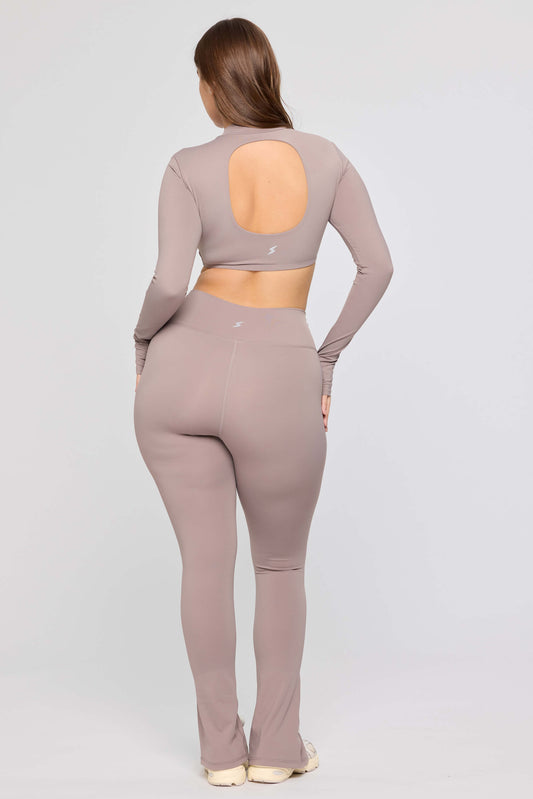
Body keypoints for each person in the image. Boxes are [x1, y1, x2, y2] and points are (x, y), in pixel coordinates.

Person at [132, 17, 394, 787]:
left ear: (210, 88)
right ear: (266, 77)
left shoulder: (186, 166)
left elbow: (170, 283)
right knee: (278, 565)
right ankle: (276, 748)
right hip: (278, 376)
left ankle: (220, 753)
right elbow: (376, 266)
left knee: (203, 566)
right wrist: (325, 358)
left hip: (180, 370)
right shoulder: (328, 159)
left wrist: (142, 340)